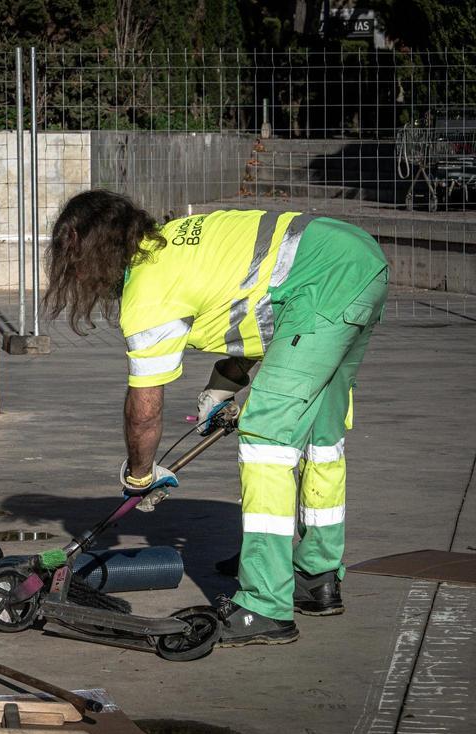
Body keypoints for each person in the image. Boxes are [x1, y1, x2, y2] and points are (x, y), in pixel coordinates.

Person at [43, 190, 388, 647]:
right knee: (320, 439)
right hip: (356, 258)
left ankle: (265, 605)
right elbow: (266, 303)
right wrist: (220, 388)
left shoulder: (147, 291)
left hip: (324, 282)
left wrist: (140, 474)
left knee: (266, 442)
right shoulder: (177, 239)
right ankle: (316, 577)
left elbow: (144, 410)